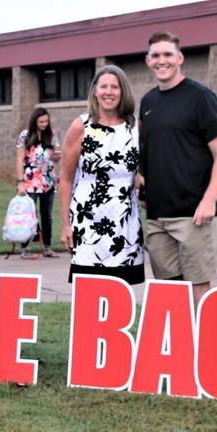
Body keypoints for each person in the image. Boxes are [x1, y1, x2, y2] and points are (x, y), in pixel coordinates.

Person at [138, 31, 217, 300]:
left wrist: (209, 200)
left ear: (180, 58)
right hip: (157, 215)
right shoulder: (148, 102)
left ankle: (204, 341)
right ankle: (178, 342)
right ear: (147, 61)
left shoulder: (200, 97)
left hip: (194, 213)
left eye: (167, 54)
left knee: (199, 286)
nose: (161, 60)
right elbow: (150, 148)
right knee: (168, 291)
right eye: (155, 55)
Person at [58, 65, 145, 284]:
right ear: (95, 91)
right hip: (87, 222)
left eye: (114, 87)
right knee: (88, 293)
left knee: (120, 292)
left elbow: (145, 170)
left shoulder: (136, 127)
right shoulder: (81, 126)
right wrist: (66, 225)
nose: (109, 92)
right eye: (103, 86)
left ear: (122, 92)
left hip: (124, 223)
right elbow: (66, 179)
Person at [15, 107, 61, 259]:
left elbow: (56, 157)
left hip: (48, 180)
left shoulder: (52, 135)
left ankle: (47, 247)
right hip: (30, 180)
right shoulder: (25, 135)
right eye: (41, 121)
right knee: (29, 214)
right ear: (34, 121)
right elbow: (20, 160)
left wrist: (56, 155)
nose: (44, 124)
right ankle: (25, 248)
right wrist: (20, 181)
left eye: (46, 121)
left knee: (47, 215)